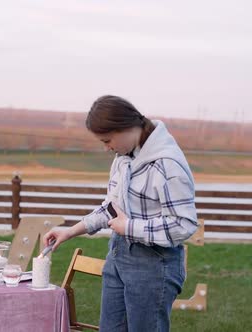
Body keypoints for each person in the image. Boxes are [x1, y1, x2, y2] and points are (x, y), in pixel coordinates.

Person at [43, 95, 198, 332]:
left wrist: (130, 228)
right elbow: (111, 208)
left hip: (154, 266)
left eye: (107, 140)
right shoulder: (123, 158)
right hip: (118, 257)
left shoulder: (168, 165)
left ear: (126, 127)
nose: (106, 148)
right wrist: (71, 231)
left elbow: (183, 224)